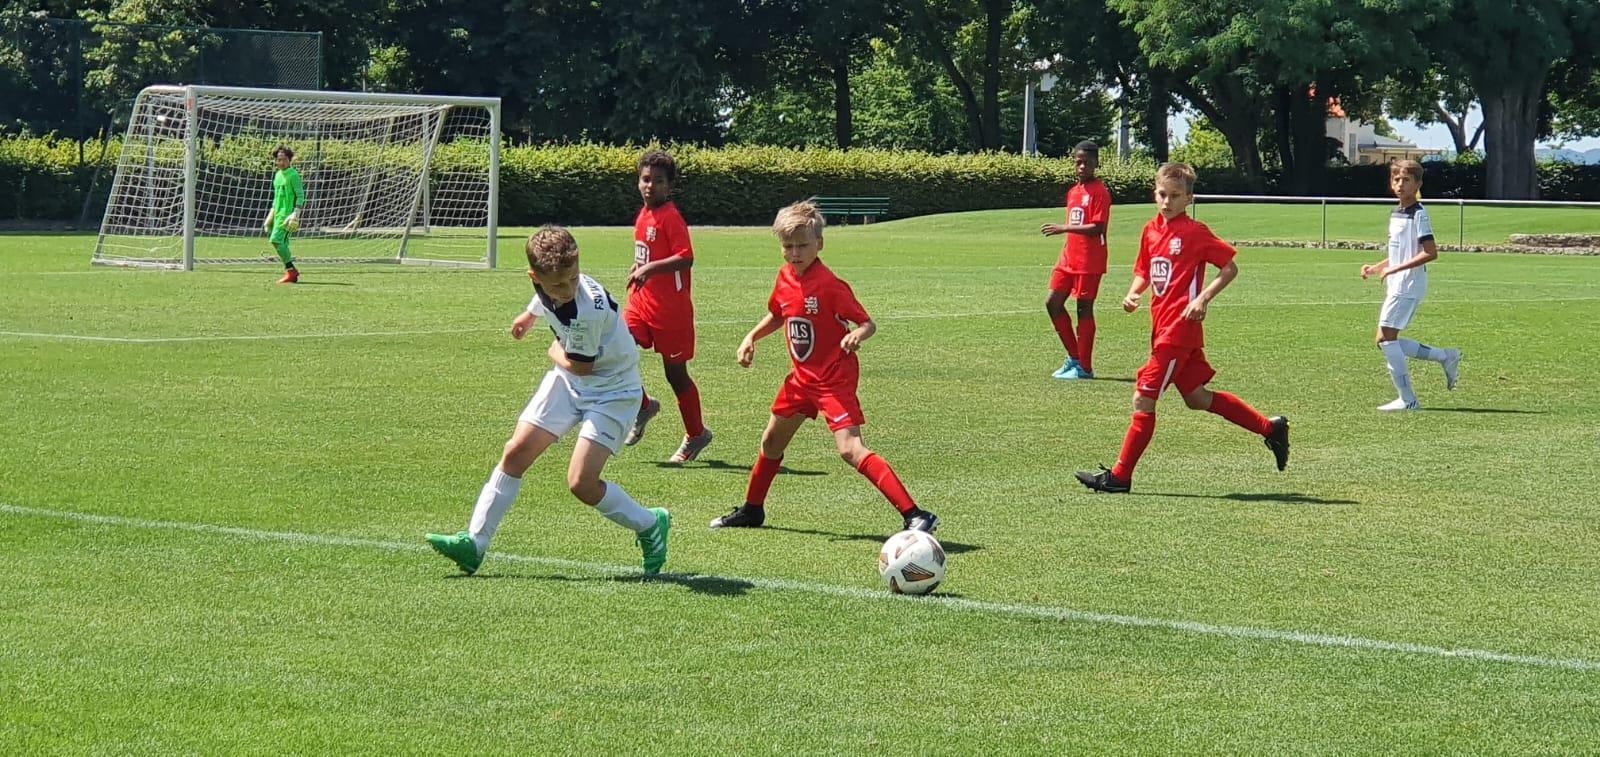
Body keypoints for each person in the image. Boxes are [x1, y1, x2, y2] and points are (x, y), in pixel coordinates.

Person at [426, 226, 671, 576]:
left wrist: (553, 350)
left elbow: (581, 366)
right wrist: (530, 315)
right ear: (535, 277)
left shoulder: (587, 310)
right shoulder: (546, 285)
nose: (567, 289)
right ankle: (474, 544)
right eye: (557, 285)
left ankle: (650, 524)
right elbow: (545, 298)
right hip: (570, 382)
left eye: (573, 279)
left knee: (581, 483)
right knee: (516, 452)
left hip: (612, 390)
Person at [710, 200, 939, 533]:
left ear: (819, 243)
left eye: (802, 245)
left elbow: (867, 323)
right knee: (771, 443)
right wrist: (751, 337)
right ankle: (752, 509)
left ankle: (916, 514)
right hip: (801, 380)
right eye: (788, 246)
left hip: (833, 379)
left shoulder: (830, 285)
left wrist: (857, 334)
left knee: (850, 449)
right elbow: (778, 314)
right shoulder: (784, 277)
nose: (795, 253)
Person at [1076, 163, 1290, 493]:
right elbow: (1145, 270)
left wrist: (1202, 299)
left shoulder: (1195, 232)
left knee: (1143, 400)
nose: (1167, 201)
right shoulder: (1150, 230)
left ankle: (1120, 477)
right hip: (1161, 328)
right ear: (1155, 193)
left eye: (1175, 196)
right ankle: (1270, 428)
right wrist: (1134, 293)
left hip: (1178, 331)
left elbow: (1229, 268)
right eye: (1162, 194)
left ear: (1189, 198)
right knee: (1196, 397)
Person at [622, 150, 714, 463]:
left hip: (670, 313)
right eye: (646, 179)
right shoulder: (643, 214)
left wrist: (649, 269)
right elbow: (648, 251)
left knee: (675, 375)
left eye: (659, 181)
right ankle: (643, 405)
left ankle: (697, 433)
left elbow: (685, 257)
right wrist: (639, 266)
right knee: (616, 346)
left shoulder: (670, 217)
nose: (650, 186)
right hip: (641, 302)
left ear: (669, 185)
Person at [1361, 159, 1462, 411]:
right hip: (1397, 283)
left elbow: (1430, 252)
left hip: (1408, 284)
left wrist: (1394, 269)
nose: (1400, 184)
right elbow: (1400, 253)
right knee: (1385, 340)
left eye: (1406, 180)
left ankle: (1408, 399)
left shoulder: (1419, 214)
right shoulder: (1396, 212)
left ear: (1418, 184)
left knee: (1385, 340)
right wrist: (1378, 267)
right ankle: (1445, 356)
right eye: (1396, 179)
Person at [1039, 141, 1112, 379]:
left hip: (1089, 261)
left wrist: (1064, 227)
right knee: (1052, 303)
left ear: (1096, 163)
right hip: (1068, 259)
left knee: (1084, 309)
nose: (1082, 166)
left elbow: (1097, 227)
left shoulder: (1100, 192)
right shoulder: (1073, 192)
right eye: (1078, 162)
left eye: (1087, 163)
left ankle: (1085, 368)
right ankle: (1074, 357)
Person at [263, 145, 304, 284]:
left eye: (284, 159)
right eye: (279, 159)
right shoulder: (277, 175)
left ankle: (291, 271)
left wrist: (295, 214)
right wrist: (270, 217)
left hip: (287, 216)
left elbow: (300, 196)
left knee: (275, 240)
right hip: (277, 214)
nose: (281, 162)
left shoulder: (293, 175)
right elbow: (276, 199)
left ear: (289, 160)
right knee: (280, 244)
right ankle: (291, 271)